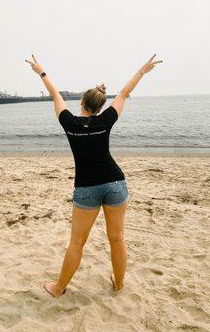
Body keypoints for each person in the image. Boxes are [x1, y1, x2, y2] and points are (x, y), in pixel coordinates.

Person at [25, 53, 163, 297]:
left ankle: (59, 288)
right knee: (117, 239)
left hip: (87, 187)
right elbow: (123, 94)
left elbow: (55, 95)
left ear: (81, 103)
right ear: (100, 107)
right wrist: (141, 71)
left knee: (77, 243)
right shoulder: (106, 120)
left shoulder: (69, 123)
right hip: (115, 183)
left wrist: (41, 72)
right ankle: (119, 284)